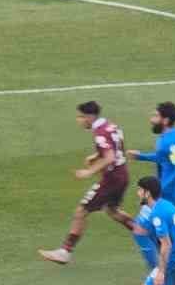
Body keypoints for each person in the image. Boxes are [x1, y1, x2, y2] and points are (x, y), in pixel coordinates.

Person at [39, 101, 140, 265]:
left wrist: (89, 171)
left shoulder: (100, 133)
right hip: (122, 175)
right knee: (113, 211)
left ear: (89, 117)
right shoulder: (111, 126)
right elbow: (117, 147)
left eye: (80, 116)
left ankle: (65, 251)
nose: (78, 120)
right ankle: (149, 234)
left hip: (111, 179)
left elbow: (109, 157)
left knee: (81, 211)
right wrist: (95, 156)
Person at [127, 101, 175, 272]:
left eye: (155, 116)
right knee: (154, 234)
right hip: (164, 194)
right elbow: (163, 158)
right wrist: (142, 157)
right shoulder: (168, 138)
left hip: (167, 195)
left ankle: (159, 272)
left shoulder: (171, 141)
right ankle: (167, 269)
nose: (151, 119)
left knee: (141, 231)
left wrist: (159, 187)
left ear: (165, 120)